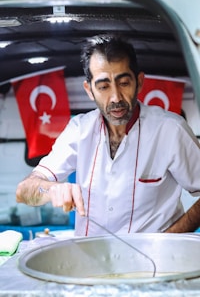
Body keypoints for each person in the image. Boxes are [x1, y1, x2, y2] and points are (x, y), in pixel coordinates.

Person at [16, 34, 200, 236]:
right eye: (103, 87)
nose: (115, 98)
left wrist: (169, 239)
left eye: (124, 83)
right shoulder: (79, 130)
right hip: (89, 262)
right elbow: (24, 191)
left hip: (154, 263)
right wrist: (49, 190)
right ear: (89, 90)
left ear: (139, 82)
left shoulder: (170, 130)